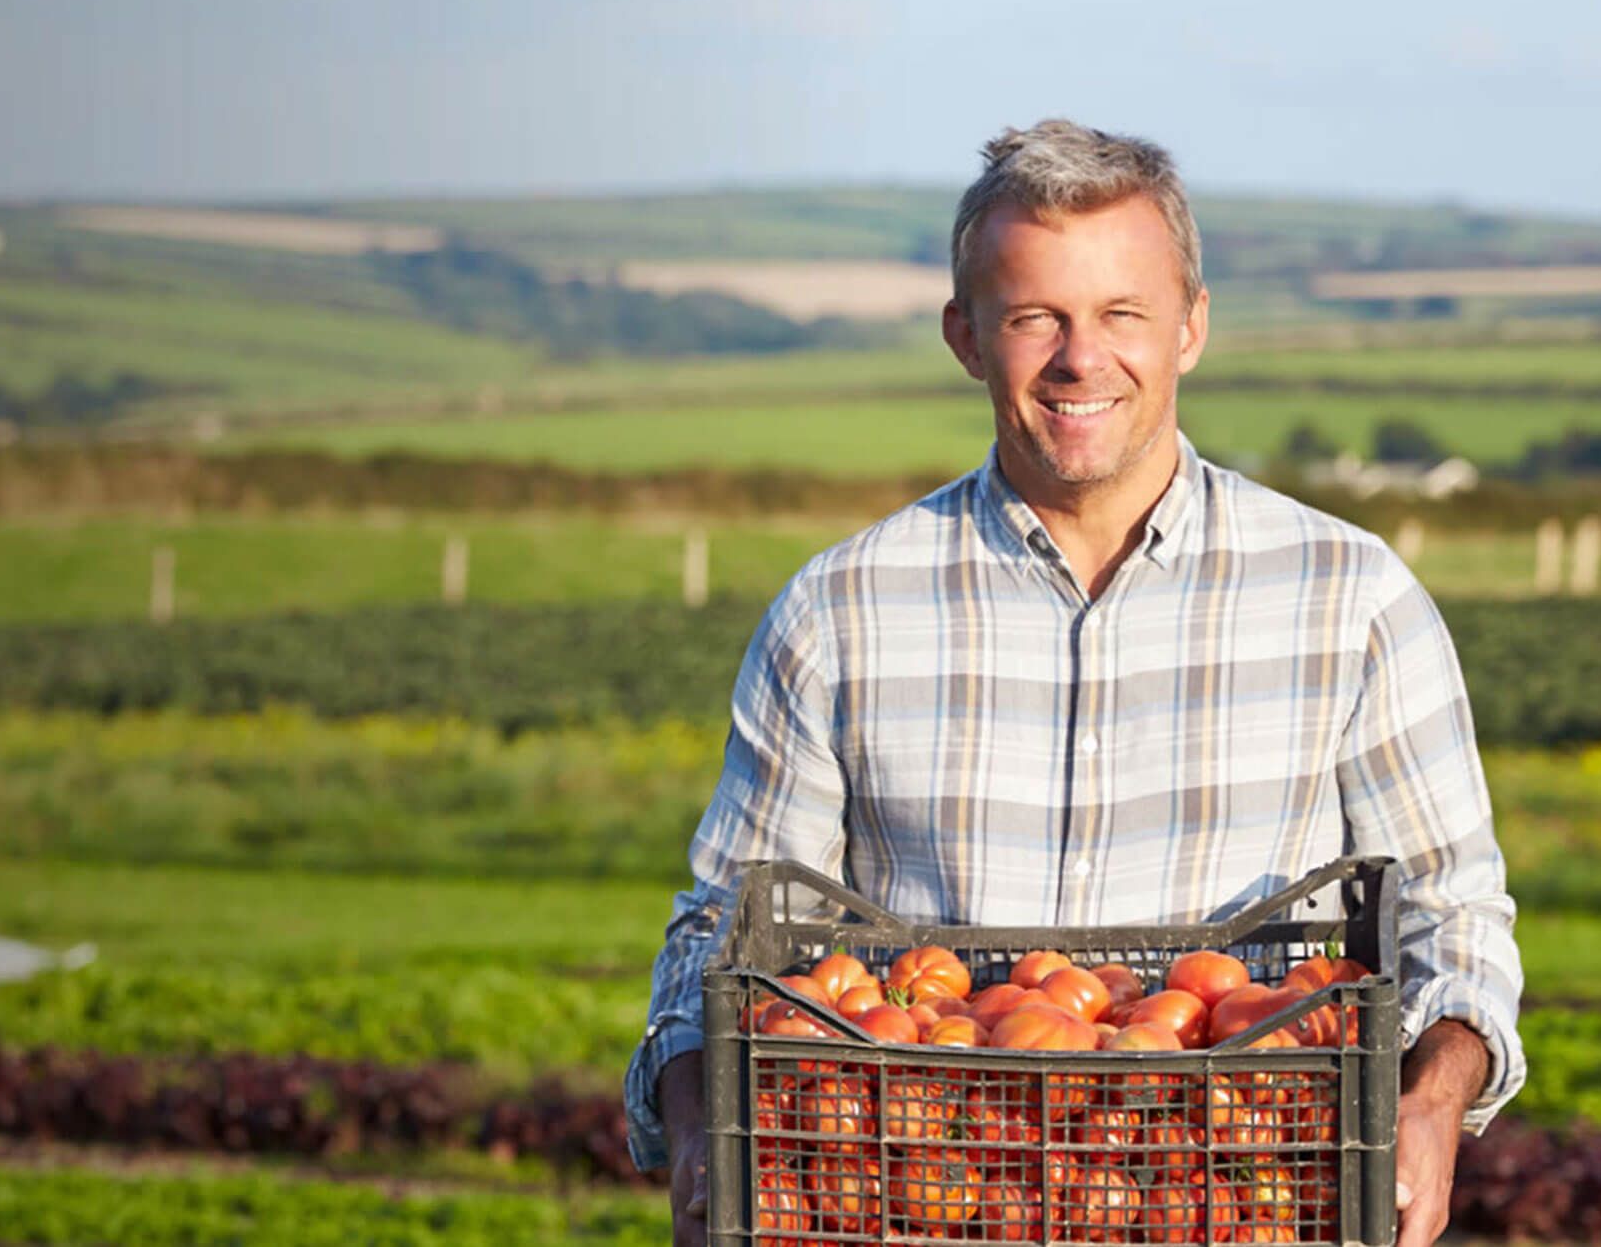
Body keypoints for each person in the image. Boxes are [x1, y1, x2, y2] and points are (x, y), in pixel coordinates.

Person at [622, 119, 1525, 1247]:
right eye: (1033, 316)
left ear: (1192, 325)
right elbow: (724, 930)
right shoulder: (840, 612)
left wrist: (1435, 1097)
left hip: (1243, 1196)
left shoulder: (1351, 600)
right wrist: (703, 1117)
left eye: (1121, 314)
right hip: (932, 1199)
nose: (1080, 359)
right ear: (965, 336)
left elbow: (1453, 913)